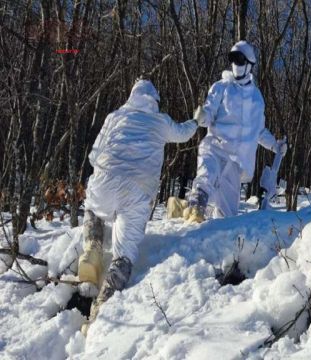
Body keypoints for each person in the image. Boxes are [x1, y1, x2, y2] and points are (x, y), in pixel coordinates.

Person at [78, 79, 202, 331]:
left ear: (131, 96)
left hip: (105, 179)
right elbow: (183, 133)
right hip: (137, 190)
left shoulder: (114, 116)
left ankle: (92, 248)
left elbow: (93, 155)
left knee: (92, 209)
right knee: (124, 254)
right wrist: (197, 120)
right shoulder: (160, 121)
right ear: (154, 101)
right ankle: (101, 311)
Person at [179, 40, 287, 223]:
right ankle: (196, 204)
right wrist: (202, 116)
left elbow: (259, 131)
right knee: (207, 173)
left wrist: (275, 146)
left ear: (249, 64)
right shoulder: (221, 87)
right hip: (216, 147)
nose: (236, 65)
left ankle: (217, 238)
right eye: (233, 60)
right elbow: (209, 112)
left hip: (237, 161)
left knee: (227, 215)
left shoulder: (257, 99)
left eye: (240, 60)